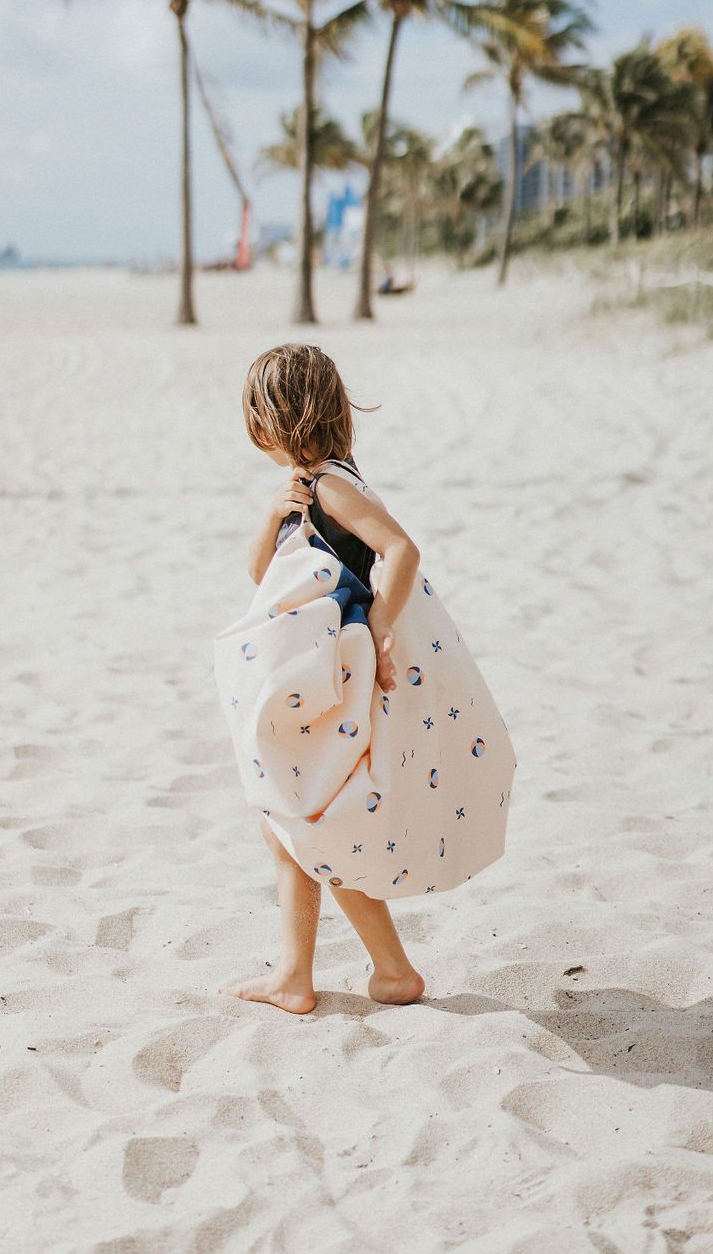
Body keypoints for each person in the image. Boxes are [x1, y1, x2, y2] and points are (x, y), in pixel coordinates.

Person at [218, 343, 516, 1014]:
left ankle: (345, 974)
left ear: (277, 420)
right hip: (324, 680)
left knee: (309, 824)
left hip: (340, 682)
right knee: (298, 824)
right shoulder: (315, 484)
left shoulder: (332, 486)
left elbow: (402, 550)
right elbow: (260, 573)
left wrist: (383, 626)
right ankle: (354, 972)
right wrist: (272, 515)